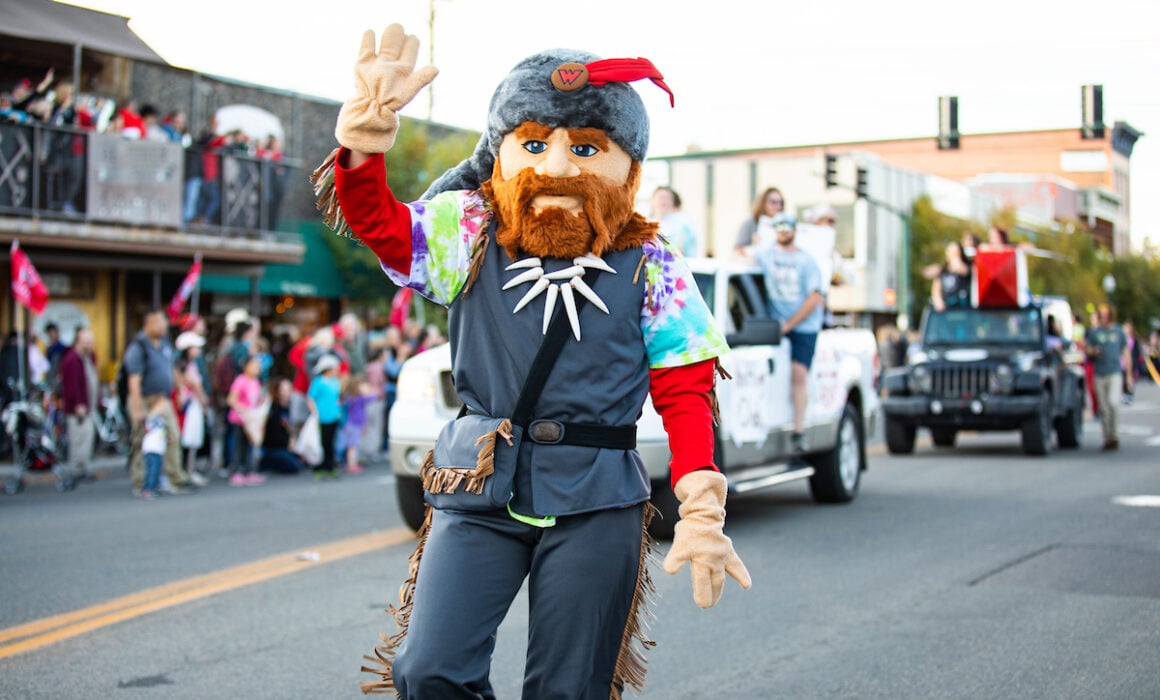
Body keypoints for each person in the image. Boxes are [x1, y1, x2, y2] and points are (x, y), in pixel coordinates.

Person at [320, 25, 749, 696]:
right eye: (533, 144)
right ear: (501, 156)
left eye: (585, 148)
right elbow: (384, 227)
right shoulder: (468, 228)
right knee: (428, 670)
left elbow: (686, 389)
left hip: (596, 497)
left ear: (628, 169)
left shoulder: (653, 264)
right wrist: (362, 148)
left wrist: (700, 502)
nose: (556, 168)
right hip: (477, 484)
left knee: (567, 690)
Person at [749, 212, 824, 453]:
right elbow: (742, 255)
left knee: (798, 374)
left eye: (787, 227)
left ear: (794, 230)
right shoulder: (766, 254)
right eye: (779, 227)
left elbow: (815, 297)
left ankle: (799, 431)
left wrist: (790, 324)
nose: (783, 231)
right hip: (775, 322)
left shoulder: (806, 261)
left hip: (803, 325)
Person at [124, 308, 191, 495]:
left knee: (172, 436)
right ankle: (140, 481)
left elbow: (171, 368)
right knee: (141, 441)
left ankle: (175, 478)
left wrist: (179, 389)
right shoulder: (138, 347)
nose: (164, 326)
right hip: (144, 399)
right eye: (160, 322)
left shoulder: (164, 343)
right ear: (149, 323)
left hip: (163, 399)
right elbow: (134, 380)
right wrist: (137, 408)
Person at [1085, 304, 1132, 450]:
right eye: (1101, 315)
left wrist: (1129, 375)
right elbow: (1087, 349)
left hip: (1114, 372)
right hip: (1099, 373)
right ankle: (1107, 437)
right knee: (1104, 408)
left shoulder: (1118, 331)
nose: (1104, 318)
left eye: (1106, 315)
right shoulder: (1094, 332)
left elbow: (1126, 352)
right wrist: (1093, 351)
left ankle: (1115, 435)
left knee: (1113, 403)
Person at [58, 328, 98, 484]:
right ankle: (76, 469)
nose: (90, 345)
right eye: (87, 342)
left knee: (86, 437)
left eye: (91, 342)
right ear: (78, 342)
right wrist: (78, 404)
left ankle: (82, 467)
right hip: (78, 408)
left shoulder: (86, 357)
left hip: (87, 406)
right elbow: (71, 386)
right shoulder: (72, 359)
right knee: (78, 438)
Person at [225, 354, 267, 486]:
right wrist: (244, 410)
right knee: (238, 445)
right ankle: (236, 471)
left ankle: (249, 471)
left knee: (250, 446)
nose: (257, 368)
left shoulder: (255, 382)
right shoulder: (240, 381)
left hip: (251, 420)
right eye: (254, 366)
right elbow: (231, 400)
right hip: (239, 419)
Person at [174, 331, 209, 486]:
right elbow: (195, 385)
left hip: (190, 405)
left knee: (191, 440)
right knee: (188, 440)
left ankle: (188, 470)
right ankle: (185, 471)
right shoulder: (183, 366)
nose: (198, 350)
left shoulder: (187, 364)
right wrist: (203, 401)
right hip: (189, 406)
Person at [259, 377, 306, 474]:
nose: (288, 393)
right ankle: (267, 462)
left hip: (284, 446)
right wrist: (287, 442)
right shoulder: (273, 409)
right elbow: (272, 433)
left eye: (289, 389)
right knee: (294, 466)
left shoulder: (287, 408)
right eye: (284, 390)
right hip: (273, 447)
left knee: (303, 461)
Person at [307, 354, 342, 480]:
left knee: (331, 443)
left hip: (333, 416)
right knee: (322, 443)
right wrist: (314, 412)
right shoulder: (318, 382)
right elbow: (310, 398)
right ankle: (320, 467)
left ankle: (330, 467)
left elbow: (337, 398)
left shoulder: (335, 382)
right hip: (321, 417)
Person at [649, 185, 698, 257]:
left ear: (672, 202)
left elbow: (679, 251)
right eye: (660, 197)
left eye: (667, 198)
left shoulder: (680, 225)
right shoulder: (646, 224)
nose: (663, 201)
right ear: (652, 200)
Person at [734, 186, 785, 254]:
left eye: (780, 202)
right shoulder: (750, 223)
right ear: (763, 203)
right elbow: (737, 251)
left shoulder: (784, 223)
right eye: (773, 202)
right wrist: (754, 246)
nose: (778, 206)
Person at [140, 395, 169, 500]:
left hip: (158, 448)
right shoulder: (153, 417)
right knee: (152, 469)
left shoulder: (161, 419)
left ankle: (155, 487)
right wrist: (154, 411)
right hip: (151, 448)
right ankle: (148, 489)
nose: (164, 408)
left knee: (157, 469)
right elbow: (149, 425)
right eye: (161, 406)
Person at [930, 241, 972, 311]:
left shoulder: (966, 267)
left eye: (955, 252)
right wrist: (938, 301)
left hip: (963, 306)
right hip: (946, 306)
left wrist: (956, 259)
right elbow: (936, 289)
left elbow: (962, 270)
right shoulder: (943, 271)